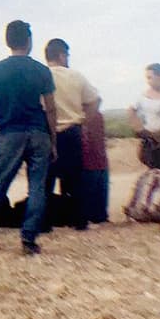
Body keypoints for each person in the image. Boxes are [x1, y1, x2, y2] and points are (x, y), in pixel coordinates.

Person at [0, 20, 57, 256]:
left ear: (8, 41)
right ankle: (29, 240)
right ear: (29, 42)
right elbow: (50, 108)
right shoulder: (42, 70)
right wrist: (53, 140)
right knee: (37, 187)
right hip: (39, 132)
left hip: (10, 133)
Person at [43, 39, 100, 230]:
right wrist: (84, 120)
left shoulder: (41, 75)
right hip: (72, 131)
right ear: (61, 55)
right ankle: (78, 220)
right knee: (75, 179)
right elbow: (94, 100)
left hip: (46, 132)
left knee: (45, 180)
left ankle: (45, 221)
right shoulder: (76, 76)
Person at [80, 98, 110, 225]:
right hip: (94, 157)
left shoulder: (90, 117)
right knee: (96, 186)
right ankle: (97, 214)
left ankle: (96, 214)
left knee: (94, 186)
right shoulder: (92, 116)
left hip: (95, 157)